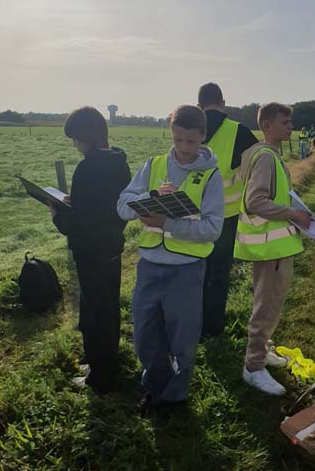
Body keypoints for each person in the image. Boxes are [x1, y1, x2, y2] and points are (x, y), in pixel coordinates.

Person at [117, 105, 223, 410]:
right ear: (170, 132)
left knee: (183, 339)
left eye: (191, 141)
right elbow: (122, 205)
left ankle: (176, 397)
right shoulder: (154, 165)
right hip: (149, 268)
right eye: (178, 140)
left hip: (187, 272)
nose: (184, 148)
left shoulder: (211, 176)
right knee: (145, 334)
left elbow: (213, 228)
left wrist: (168, 223)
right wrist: (150, 200)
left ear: (203, 136)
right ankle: (153, 387)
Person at [51, 106, 131, 394]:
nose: (74, 144)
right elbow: (109, 204)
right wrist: (79, 202)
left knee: (96, 311)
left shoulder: (87, 167)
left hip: (90, 250)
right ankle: (104, 360)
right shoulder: (119, 160)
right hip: (112, 244)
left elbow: (80, 224)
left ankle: (100, 378)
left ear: (86, 135)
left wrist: (58, 214)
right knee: (107, 306)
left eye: (75, 138)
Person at [234, 102, 310, 396]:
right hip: (272, 248)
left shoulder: (264, 154)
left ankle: (262, 351)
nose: (291, 126)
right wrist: (294, 214)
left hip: (272, 246)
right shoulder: (266, 157)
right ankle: (253, 367)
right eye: (284, 122)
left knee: (269, 302)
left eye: (290, 121)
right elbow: (256, 201)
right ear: (266, 125)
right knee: (266, 306)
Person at [198, 82, 258, 337]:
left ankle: (192, 323)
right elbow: (260, 166)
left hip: (192, 215)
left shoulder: (190, 128)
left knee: (195, 271)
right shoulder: (240, 132)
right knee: (219, 273)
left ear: (199, 105)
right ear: (223, 103)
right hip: (226, 216)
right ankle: (213, 327)